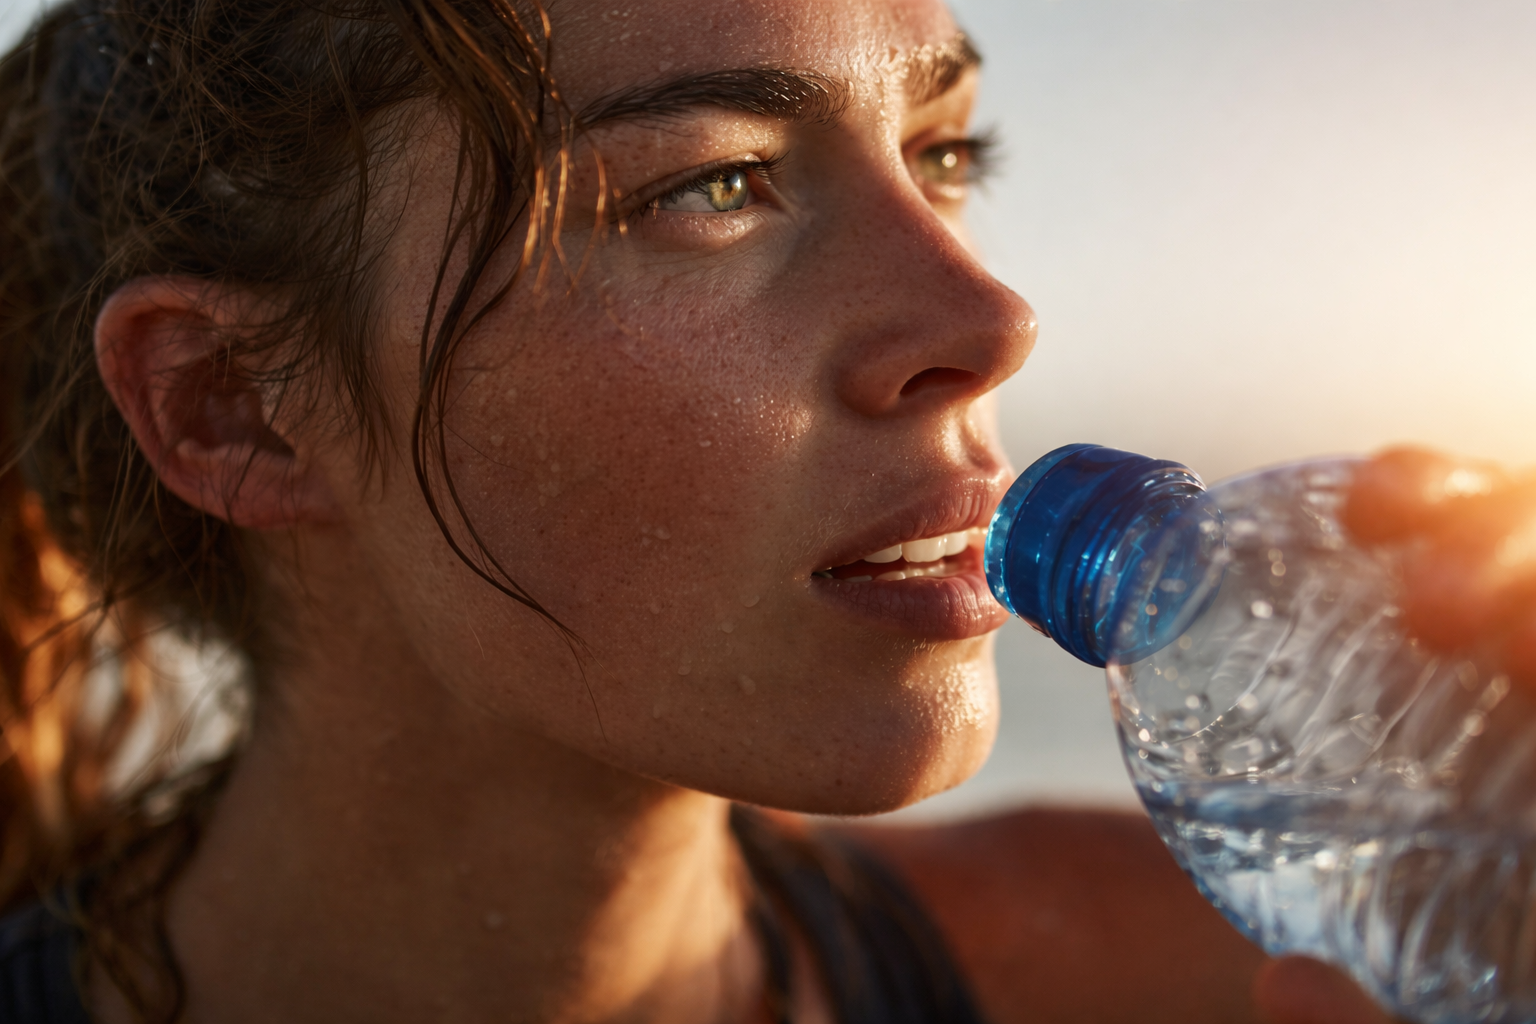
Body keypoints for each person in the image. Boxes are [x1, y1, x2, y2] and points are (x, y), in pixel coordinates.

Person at [0, 0, 1531, 1020]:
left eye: (942, 154)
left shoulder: (1208, 973)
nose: (990, 317)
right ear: (231, 404)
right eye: (713, 185)